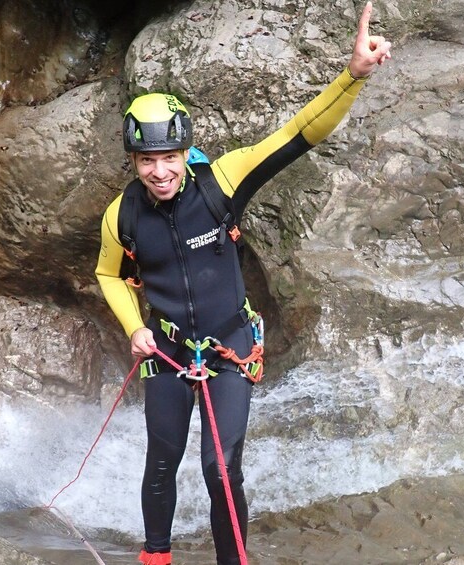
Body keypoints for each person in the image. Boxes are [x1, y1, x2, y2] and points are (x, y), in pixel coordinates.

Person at [95, 3, 391, 563]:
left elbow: (298, 134)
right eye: (147, 160)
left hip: (230, 346)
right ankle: (155, 557)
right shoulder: (122, 216)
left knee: (220, 467)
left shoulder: (222, 183)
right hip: (167, 352)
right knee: (161, 459)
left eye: (170, 157)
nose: (160, 172)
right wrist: (135, 328)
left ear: (186, 152)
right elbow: (108, 274)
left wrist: (351, 76)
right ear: (134, 160)